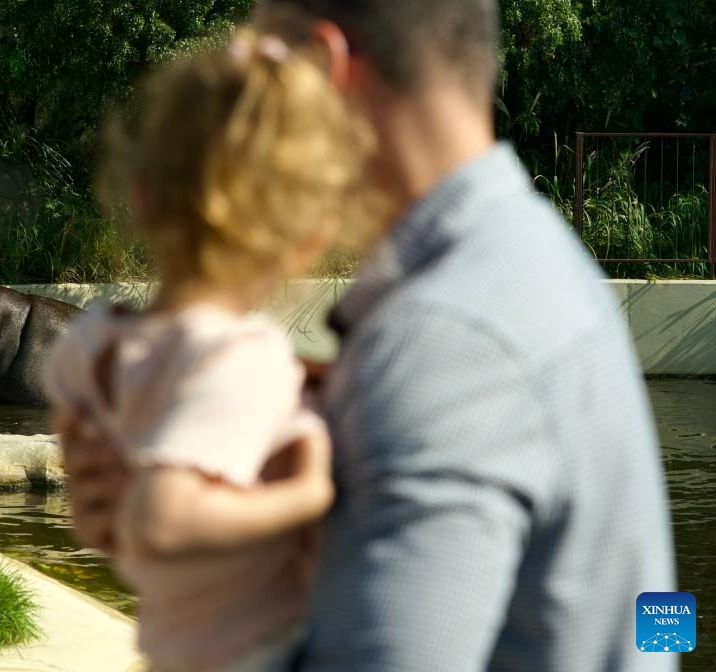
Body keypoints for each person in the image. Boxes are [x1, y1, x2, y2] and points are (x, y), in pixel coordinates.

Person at [60, 1, 678, 670]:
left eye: (265, 75)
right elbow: (656, 628)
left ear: (326, 68)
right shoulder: (527, 260)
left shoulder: (445, 341)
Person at [45, 24, 385, 672]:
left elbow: (107, 524)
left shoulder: (95, 343)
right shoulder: (241, 357)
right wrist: (309, 496)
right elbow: (162, 522)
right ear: (306, 239)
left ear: (142, 197)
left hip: (167, 646)